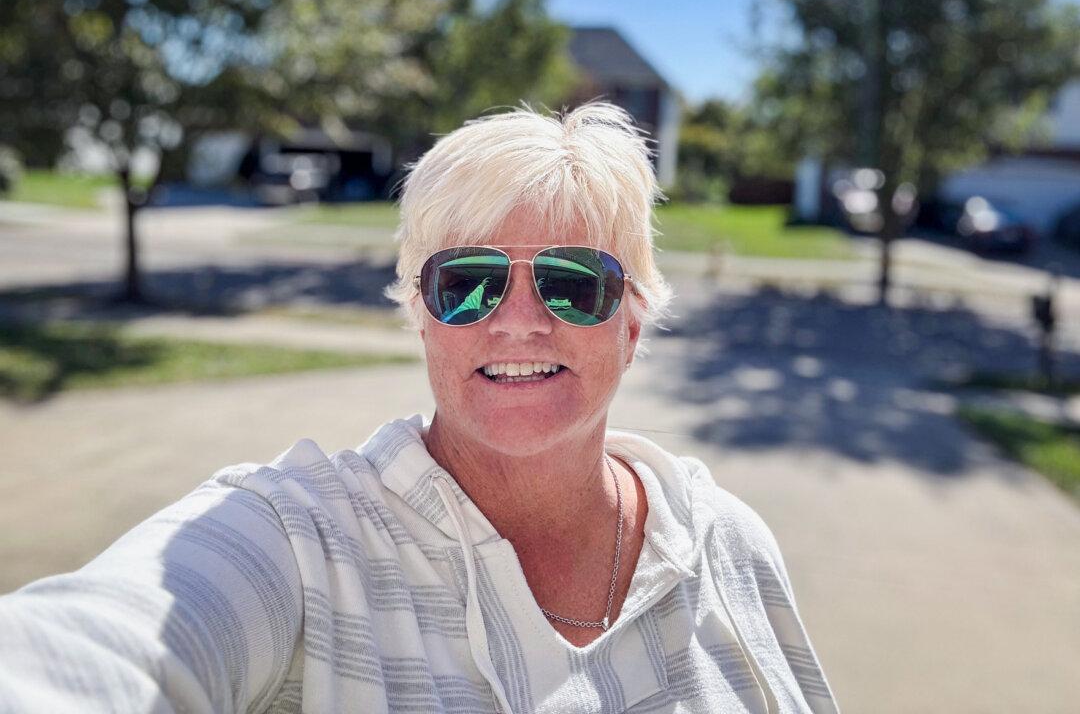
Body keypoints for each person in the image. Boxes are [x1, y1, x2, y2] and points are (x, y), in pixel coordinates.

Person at [0, 103, 838, 713]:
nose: (517, 319)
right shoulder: (302, 544)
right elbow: (93, 652)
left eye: (575, 282)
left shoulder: (728, 545)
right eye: (466, 281)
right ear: (420, 311)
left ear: (633, 319)